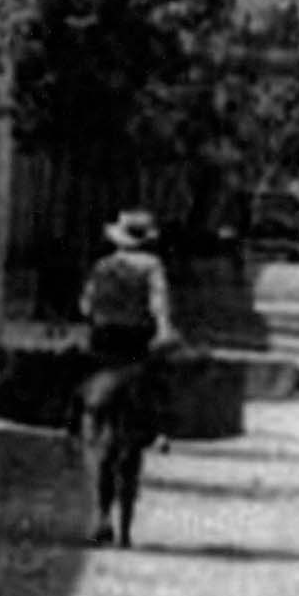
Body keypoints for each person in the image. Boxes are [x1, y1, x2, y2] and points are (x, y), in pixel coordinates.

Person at [78, 213, 175, 542]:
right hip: (136, 345)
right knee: (159, 380)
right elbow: (159, 303)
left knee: (82, 386)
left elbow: (87, 306)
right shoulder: (152, 265)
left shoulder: (103, 266)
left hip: (104, 344)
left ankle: (73, 418)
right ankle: (162, 427)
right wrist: (164, 330)